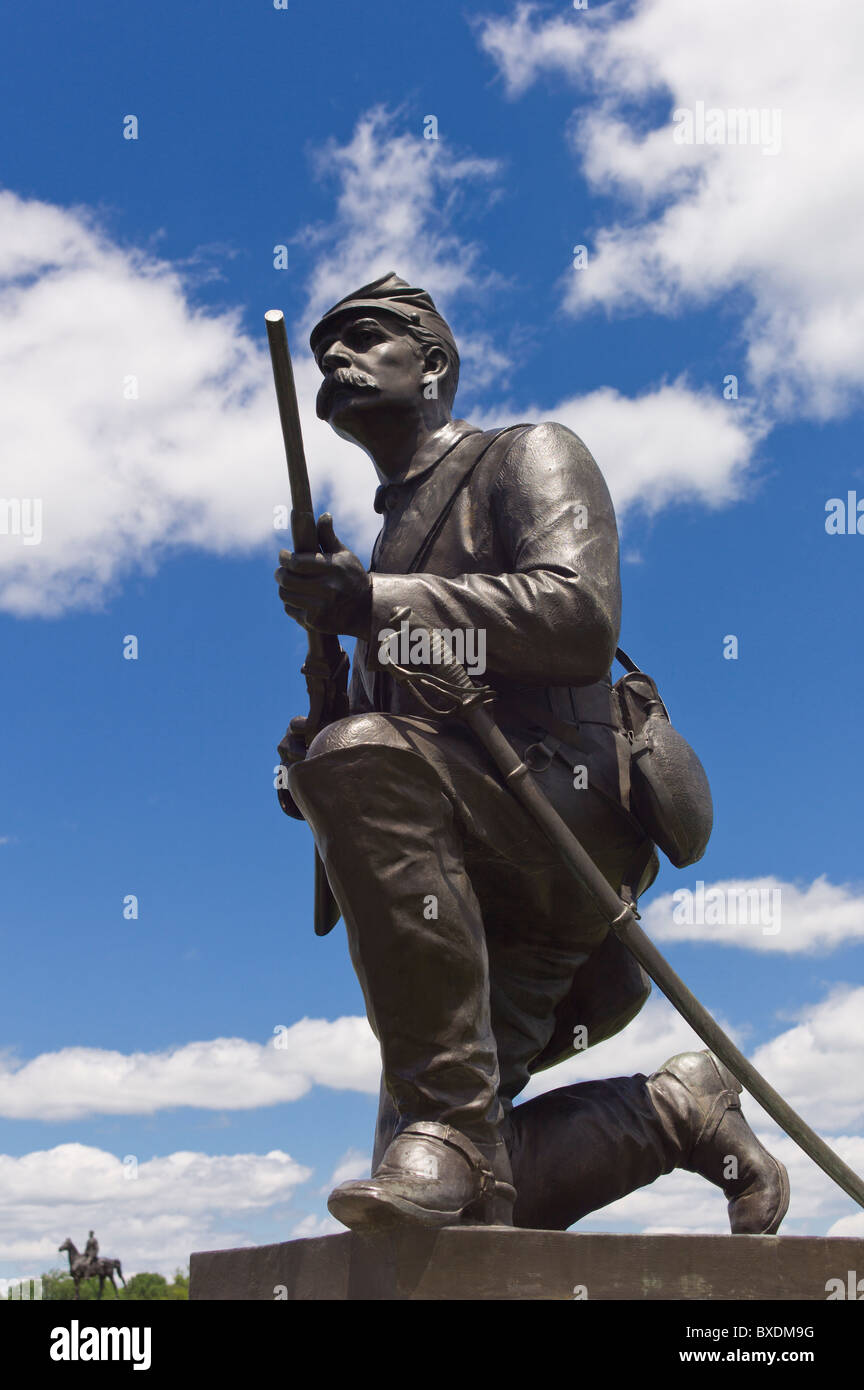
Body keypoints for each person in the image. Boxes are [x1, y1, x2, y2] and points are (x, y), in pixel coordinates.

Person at [274, 273, 788, 1235]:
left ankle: (453, 1136)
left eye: (364, 338)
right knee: (467, 1210)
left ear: (433, 365)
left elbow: (577, 618)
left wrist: (374, 614)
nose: (334, 360)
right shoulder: (383, 549)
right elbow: (400, 756)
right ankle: (675, 1110)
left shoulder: (529, 455)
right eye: (322, 353)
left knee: (355, 756)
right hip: (464, 879)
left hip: (559, 827)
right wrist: (315, 749)